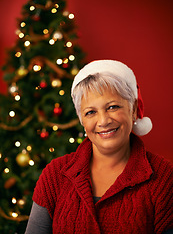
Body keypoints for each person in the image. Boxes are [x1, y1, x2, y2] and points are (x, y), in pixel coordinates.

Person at [25, 60, 173, 234]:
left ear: (133, 109)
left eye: (112, 107)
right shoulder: (54, 176)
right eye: (91, 112)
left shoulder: (164, 178)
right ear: (82, 121)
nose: (103, 121)